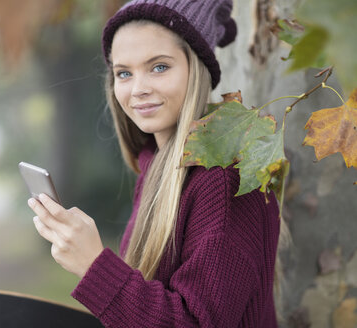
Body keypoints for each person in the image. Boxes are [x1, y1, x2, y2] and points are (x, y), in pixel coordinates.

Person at [27, 0, 283, 327]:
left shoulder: (224, 177)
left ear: (197, 69)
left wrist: (94, 265)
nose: (139, 89)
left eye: (159, 67)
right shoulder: (156, 166)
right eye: (124, 73)